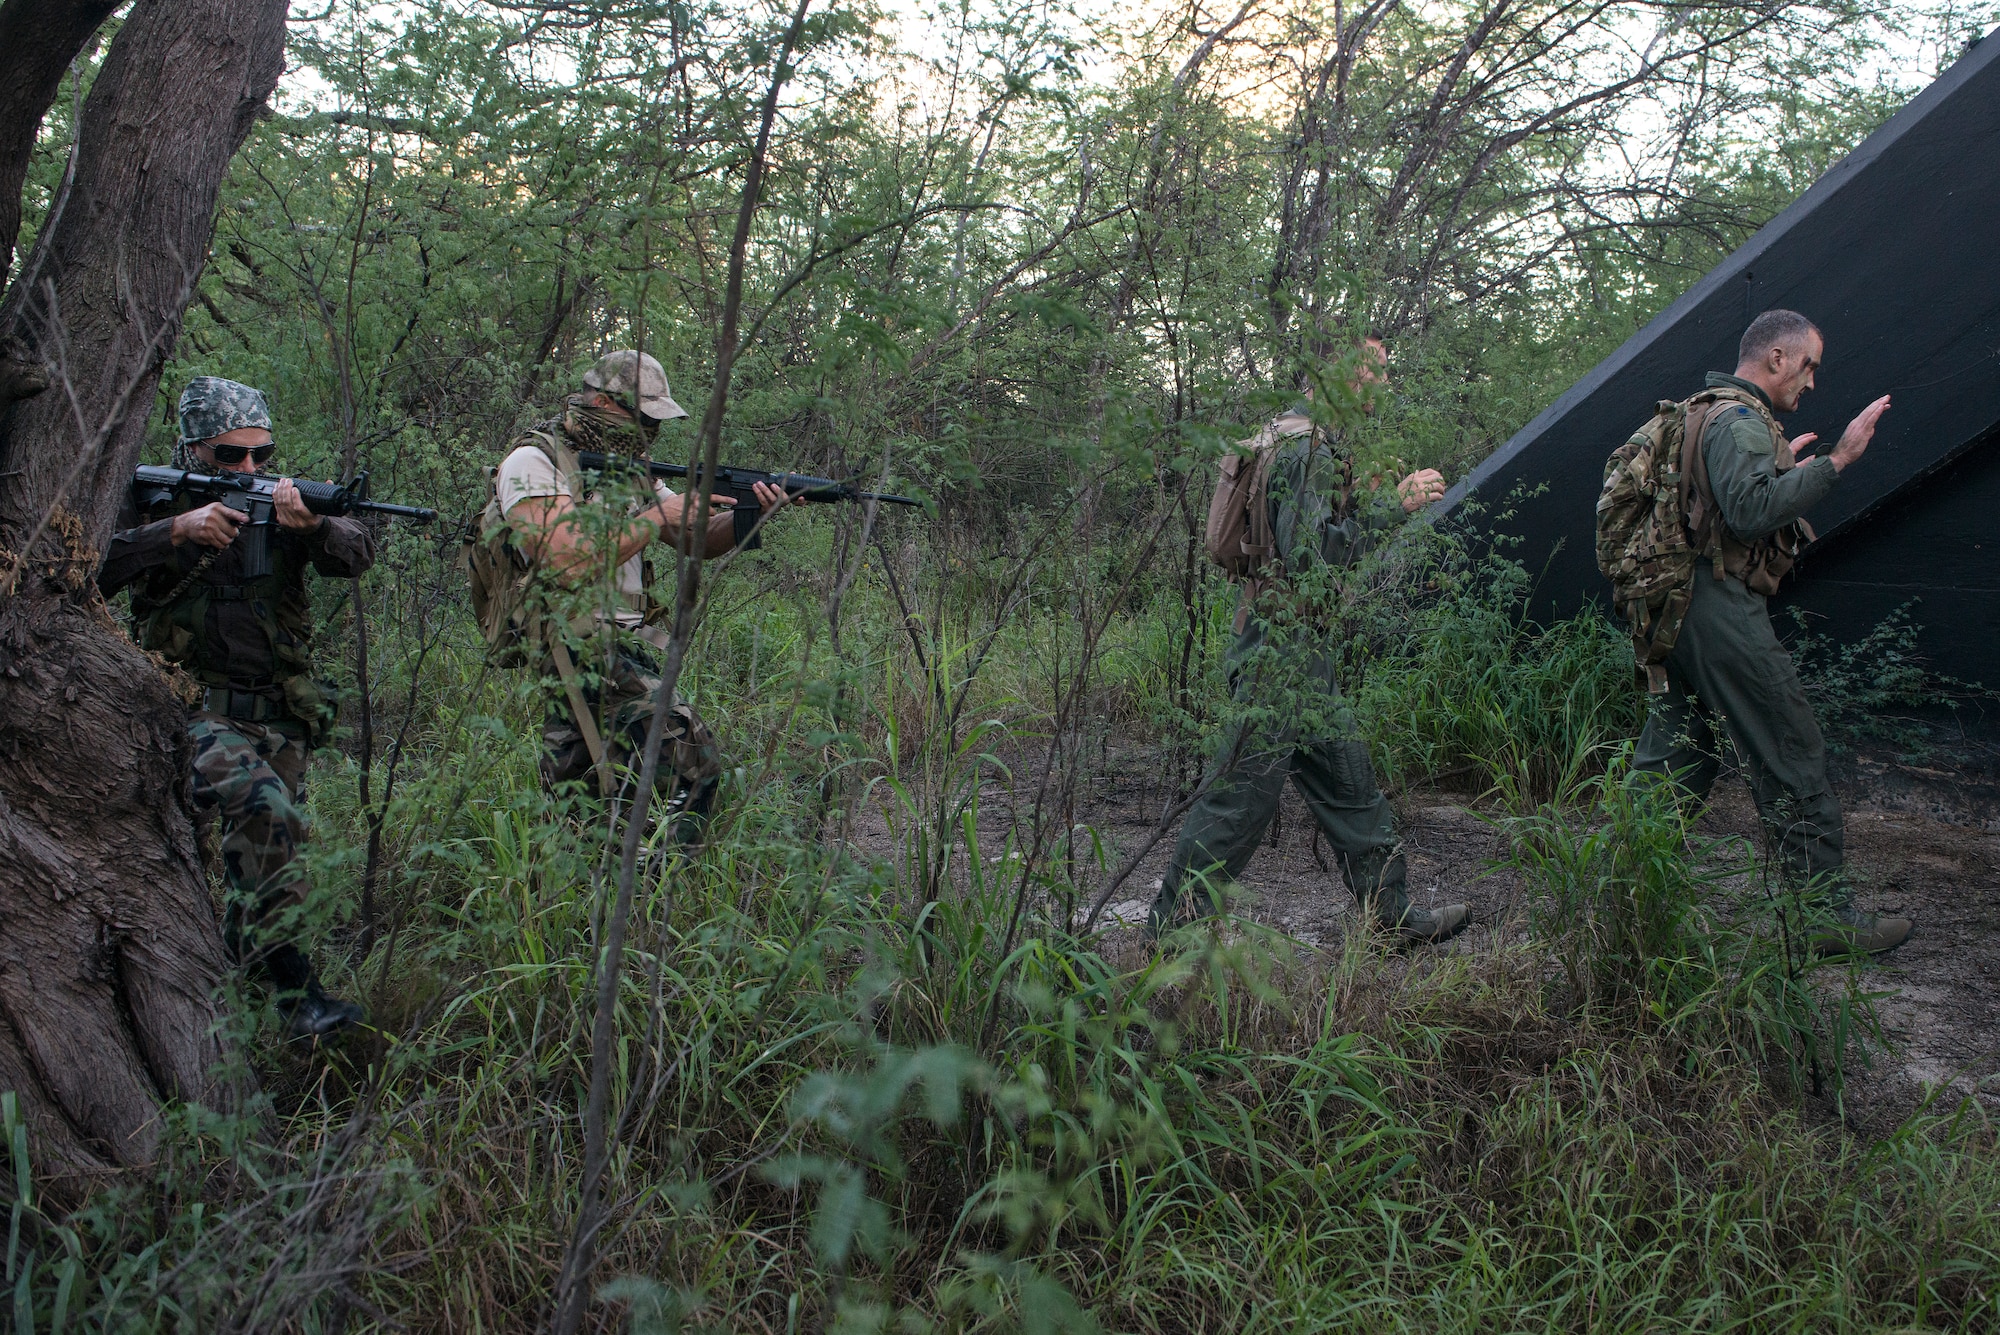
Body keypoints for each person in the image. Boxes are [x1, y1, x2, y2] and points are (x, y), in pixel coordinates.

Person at [1149, 338, 1470, 944]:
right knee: (1237, 805)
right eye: (1376, 374)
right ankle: (1168, 938)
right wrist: (1391, 508)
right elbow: (1312, 556)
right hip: (1277, 655)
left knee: (1352, 786)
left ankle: (1390, 918)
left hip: (1301, 653)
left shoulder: (1299, 438)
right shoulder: (1307, 449)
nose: (1383, 389)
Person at [1633, 309, 1911, 954]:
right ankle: (1825, 921)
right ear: (1777, 359)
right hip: (1716, 608)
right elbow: (1751, 510)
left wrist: (1785, 472)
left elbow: (1723, 503)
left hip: (1677, 608)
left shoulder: (1704, 411)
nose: (1810, 382)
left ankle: (1619, 886)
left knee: (1678, 753)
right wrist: (1838, 461)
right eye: (1808, 364)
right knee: (1791, 746)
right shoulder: (1736, 418)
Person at [99, 376, 369, 1039]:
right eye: (230, 456)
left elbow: (358, 548)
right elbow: (89, 568)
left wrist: (316, 526)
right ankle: (295, 990)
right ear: (193, 449)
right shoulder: (152, 501)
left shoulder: (279, 505)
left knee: (268, 857)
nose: (248, 469)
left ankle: (238, 999)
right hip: (188, 710)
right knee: (266, 813)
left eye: (260, 455)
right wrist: (174, 531)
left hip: (278, 714)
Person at [493, 350, 793, 823]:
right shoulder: (534, 461)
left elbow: (691, 539)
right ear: (606, 404)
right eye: (644, 418)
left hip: (621, 642)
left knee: (589, 792)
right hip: (568, 640)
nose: (650, 433)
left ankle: (586, 883)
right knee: (690, 750)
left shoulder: (631, 467)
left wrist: (750, 516)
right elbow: (567, 560)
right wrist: (656, 518)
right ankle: (659, 878)